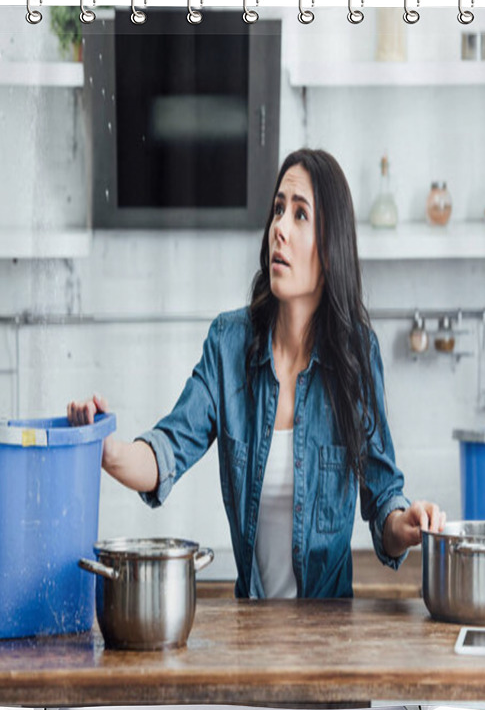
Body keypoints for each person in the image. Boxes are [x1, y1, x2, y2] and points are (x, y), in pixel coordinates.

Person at [68, 148, 446, 598]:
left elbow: (384, 498)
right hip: (252, 628)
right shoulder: (229, 344)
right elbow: (166, 451)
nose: (279, 229)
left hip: (330, 634)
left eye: (300, 215)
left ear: (331, 246)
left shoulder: (357, 356)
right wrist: (106, 451)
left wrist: (406, 525)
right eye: (278, 210)